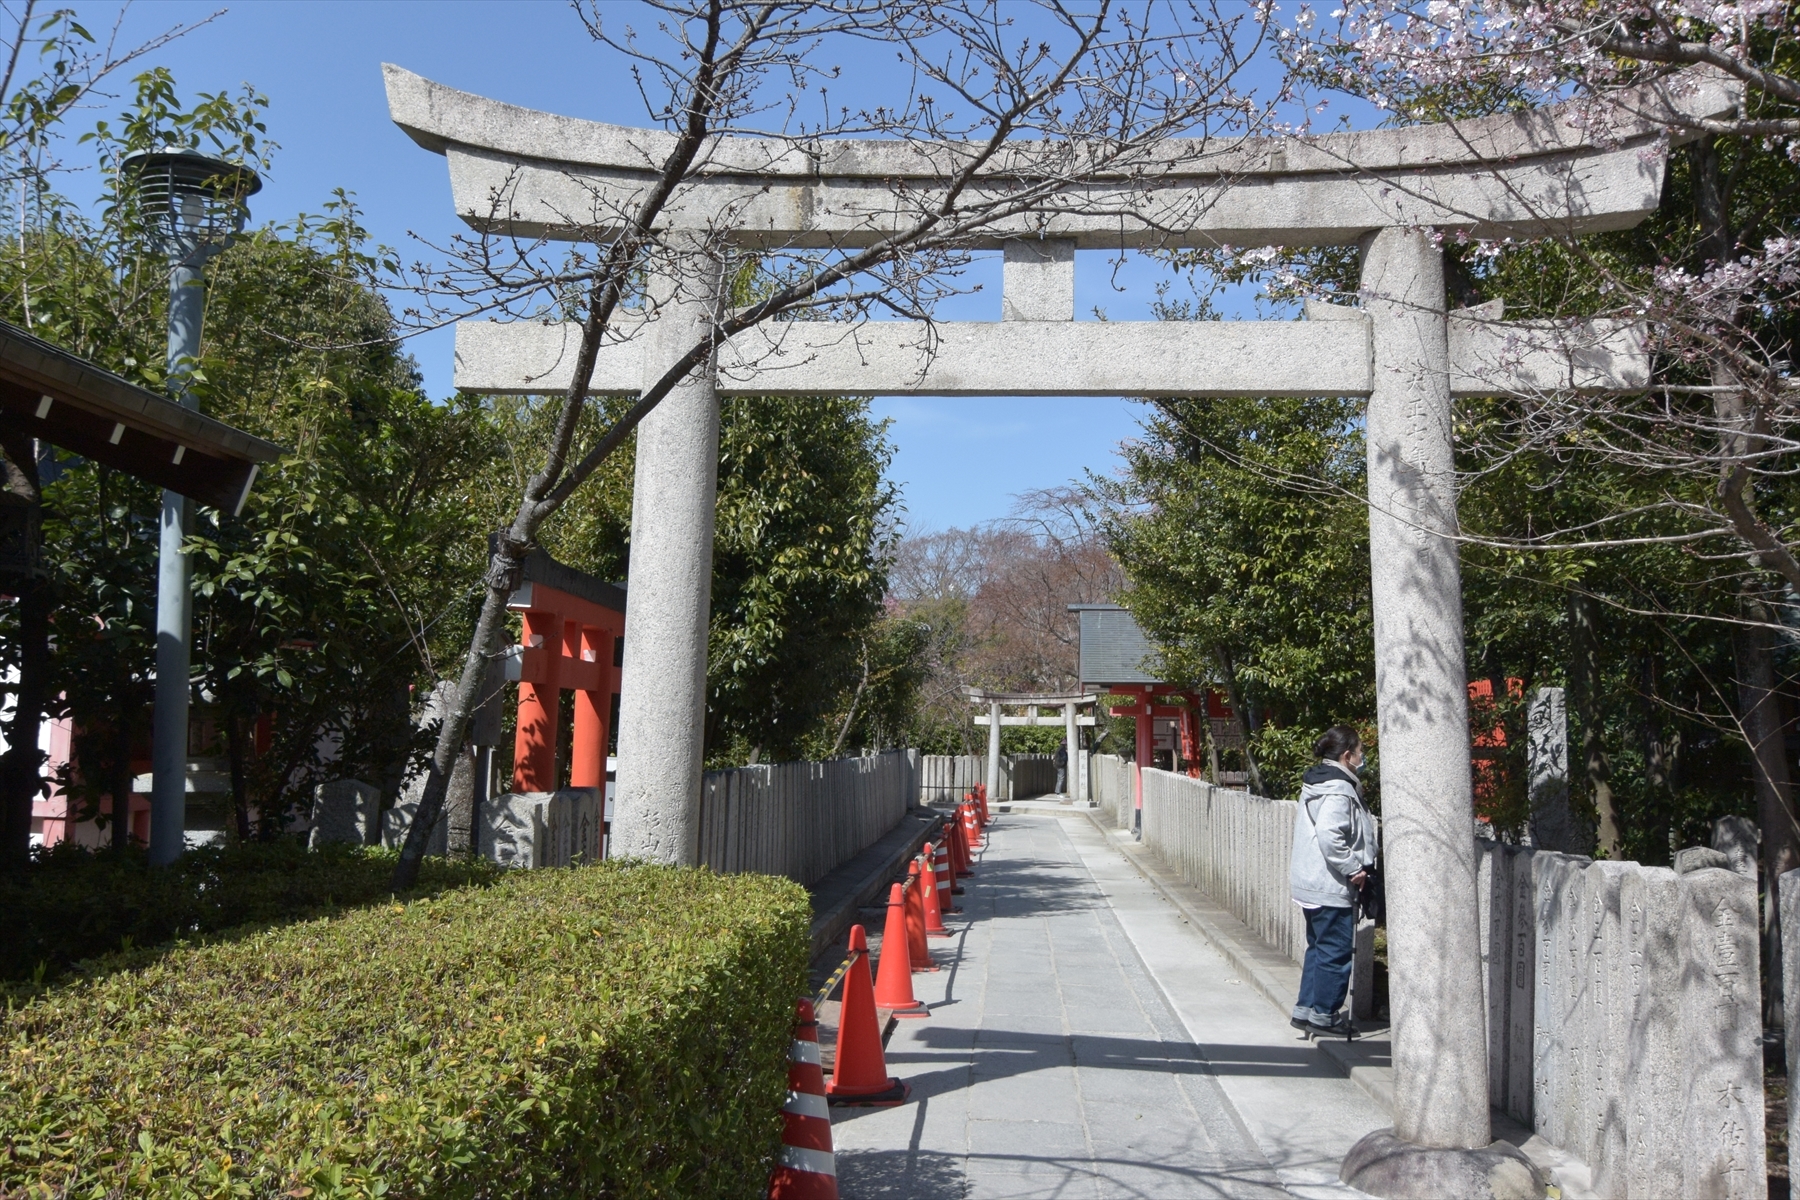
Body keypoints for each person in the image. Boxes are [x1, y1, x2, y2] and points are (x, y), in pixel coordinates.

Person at [1288, 724, 1376, 1036]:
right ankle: (1324, 1015)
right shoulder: (1339, 789)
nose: (1362, 757)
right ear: (1347, 755)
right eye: (1360, 752)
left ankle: (1305, 1009)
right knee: (1335, 951)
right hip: (1329, 884)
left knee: (1318, 947)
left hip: (1309, 881)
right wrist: (1354, 867)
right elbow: (1331, 835)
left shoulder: (1317, 781)